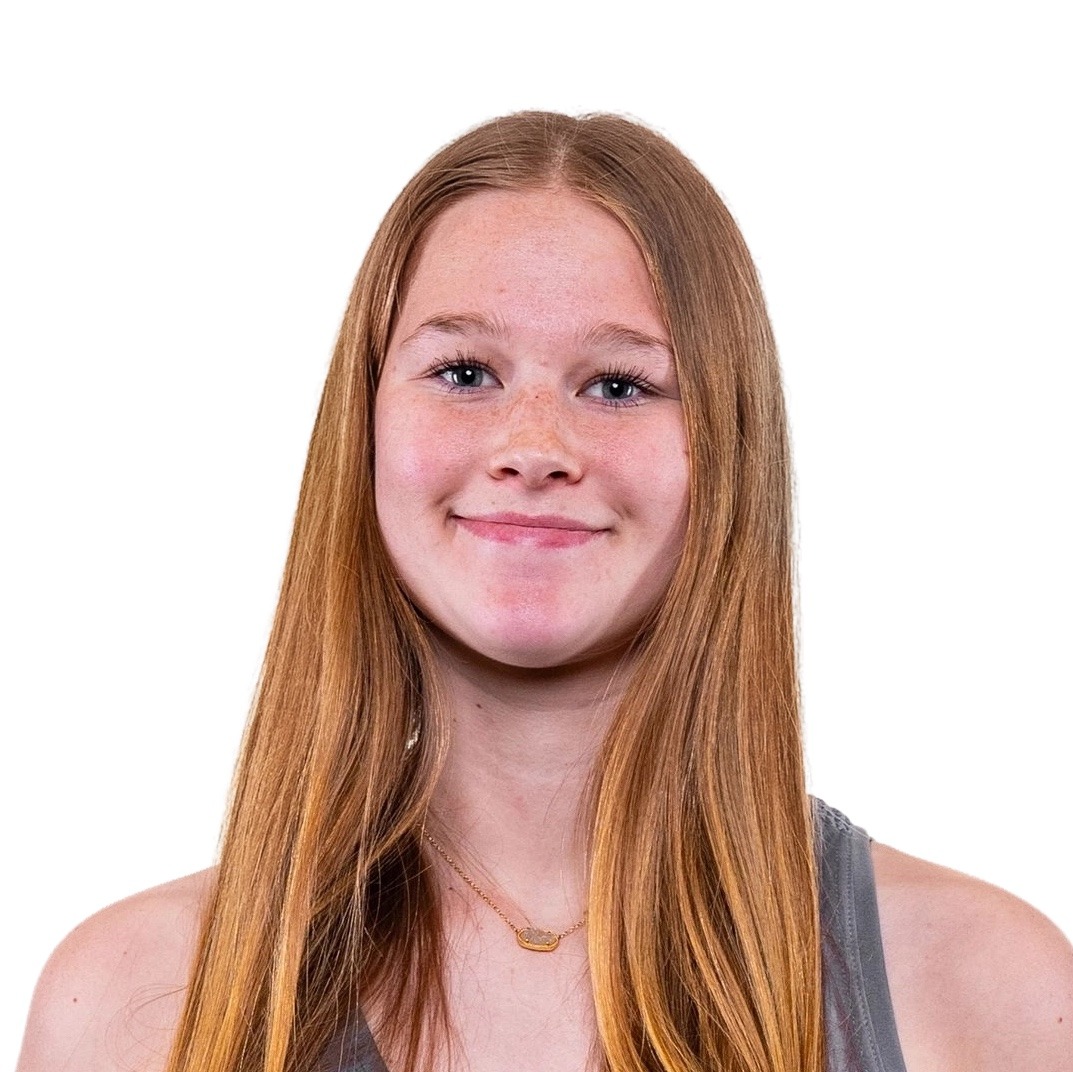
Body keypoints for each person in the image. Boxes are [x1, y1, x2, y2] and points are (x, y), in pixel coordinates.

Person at [16, 111, 1073, 1072]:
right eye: (463, 372)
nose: (532, 447)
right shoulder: (128, 1006)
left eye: (617, 384)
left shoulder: (984, 993)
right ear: (364, 426)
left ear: (727, 446)